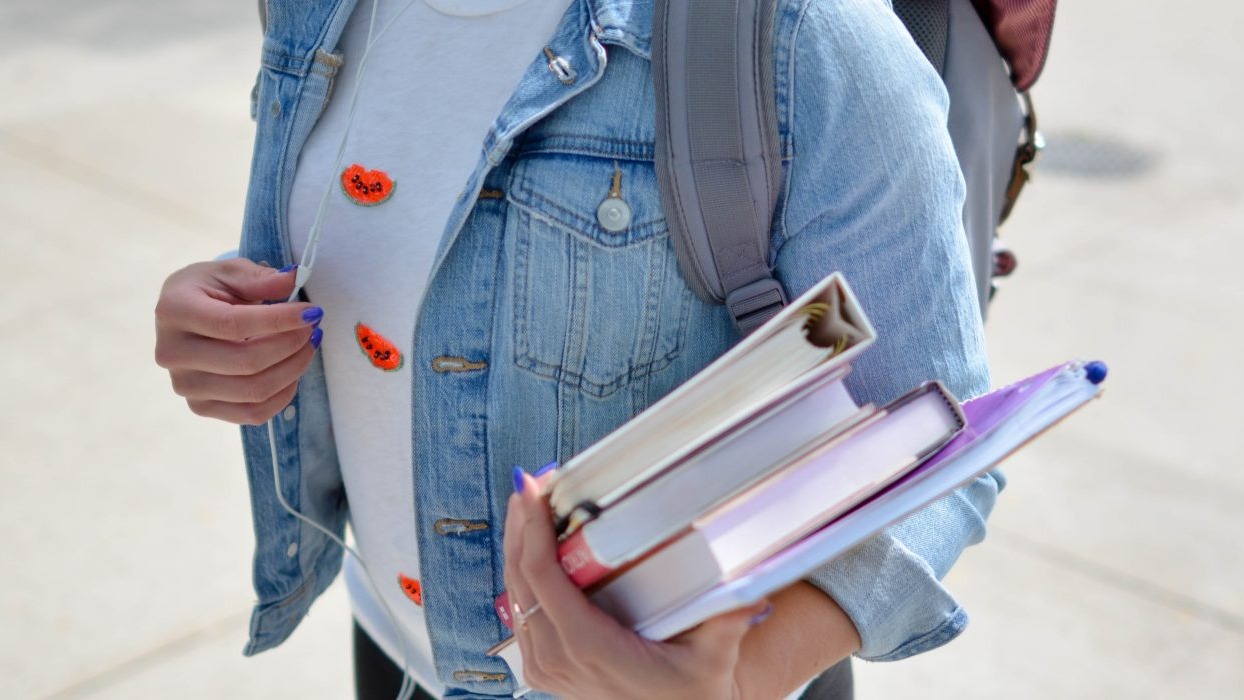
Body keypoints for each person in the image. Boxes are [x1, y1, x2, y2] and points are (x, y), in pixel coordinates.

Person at [153, 0, 1001, 697]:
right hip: (392, 644)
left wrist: (740, 678)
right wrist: (225, 329)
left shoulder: (799, 32)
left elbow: (937, 440)